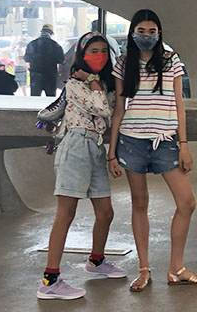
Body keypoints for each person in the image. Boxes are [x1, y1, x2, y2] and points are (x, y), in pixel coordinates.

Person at [108, 9, 197, 292]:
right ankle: (144, 269)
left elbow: (179, 103)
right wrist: (112, 153)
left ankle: (176, 268)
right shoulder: (123, 63)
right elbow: (119, 109)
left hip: (165, 141)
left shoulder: (170, 60)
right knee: (140, 204)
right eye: (141, 31)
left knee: (187, 202)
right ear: (133, 33)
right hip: (131, 142)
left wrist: (184, 145)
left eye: (152, 32)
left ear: (159, 33)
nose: (147, 36)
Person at [38, 32, 126, 300]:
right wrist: (92, 82)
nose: (98, 55)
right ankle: (49, 280)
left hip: (96, 148)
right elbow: (103, 109)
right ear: (81, 56)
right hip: (76, 145)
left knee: (106, 211)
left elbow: (114, 112)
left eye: (102, 50)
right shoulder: (75, 84)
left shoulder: (105, 84)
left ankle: (96, 262)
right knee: (66, 213)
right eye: (92, 51)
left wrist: (111, 155)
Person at [59, 20, 120, 88]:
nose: (100, 56)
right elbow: (99, 98)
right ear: (83, 54)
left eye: (104, 51)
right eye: (94, 52)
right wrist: (91, 80)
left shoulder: (110, 81)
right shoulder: (75, 84)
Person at [25, 24, 64, 97]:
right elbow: (61, 60)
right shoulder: (55, 45)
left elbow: (26, 58)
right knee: (50, 100)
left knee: (35, 98)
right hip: (50, 75)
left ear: (41, 32)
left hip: (35, 75)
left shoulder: (32, 44)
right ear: (51, 33)